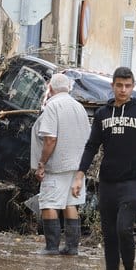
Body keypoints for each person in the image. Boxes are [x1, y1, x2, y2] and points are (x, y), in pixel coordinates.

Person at [72, 67, 136, 270]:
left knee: (124, 228)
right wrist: (79, 174)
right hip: (108, 182)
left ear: (133, 87)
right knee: (110, 235)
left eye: (128, 86)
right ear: (112, 86)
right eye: (119, 85)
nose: (123, 90)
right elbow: (92, 146)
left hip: (133, 181)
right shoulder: (103, 114)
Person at [30, 73, 91, 255]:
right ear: (69, 88)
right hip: (78, 165)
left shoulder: (52, 106)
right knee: (70, 204)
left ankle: (51, 247)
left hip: (57, 166)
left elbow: (50, 139)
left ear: (50, 88)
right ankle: (72, 247)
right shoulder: (79, 107)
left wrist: (41, 163)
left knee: (49, 203)